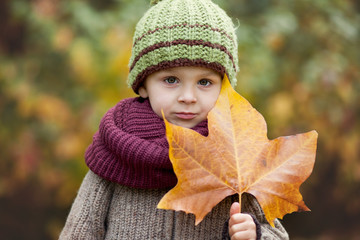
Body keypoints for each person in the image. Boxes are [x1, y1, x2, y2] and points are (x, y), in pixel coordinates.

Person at [60, 0, 289, 239]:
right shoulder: (115, 152)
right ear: (143, 84)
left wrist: (255, 234)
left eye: (204, 82)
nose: (188, 97)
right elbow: (79, 232)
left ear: (224, 88)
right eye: (171, 80)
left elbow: (278, 234)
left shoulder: (237, 157)